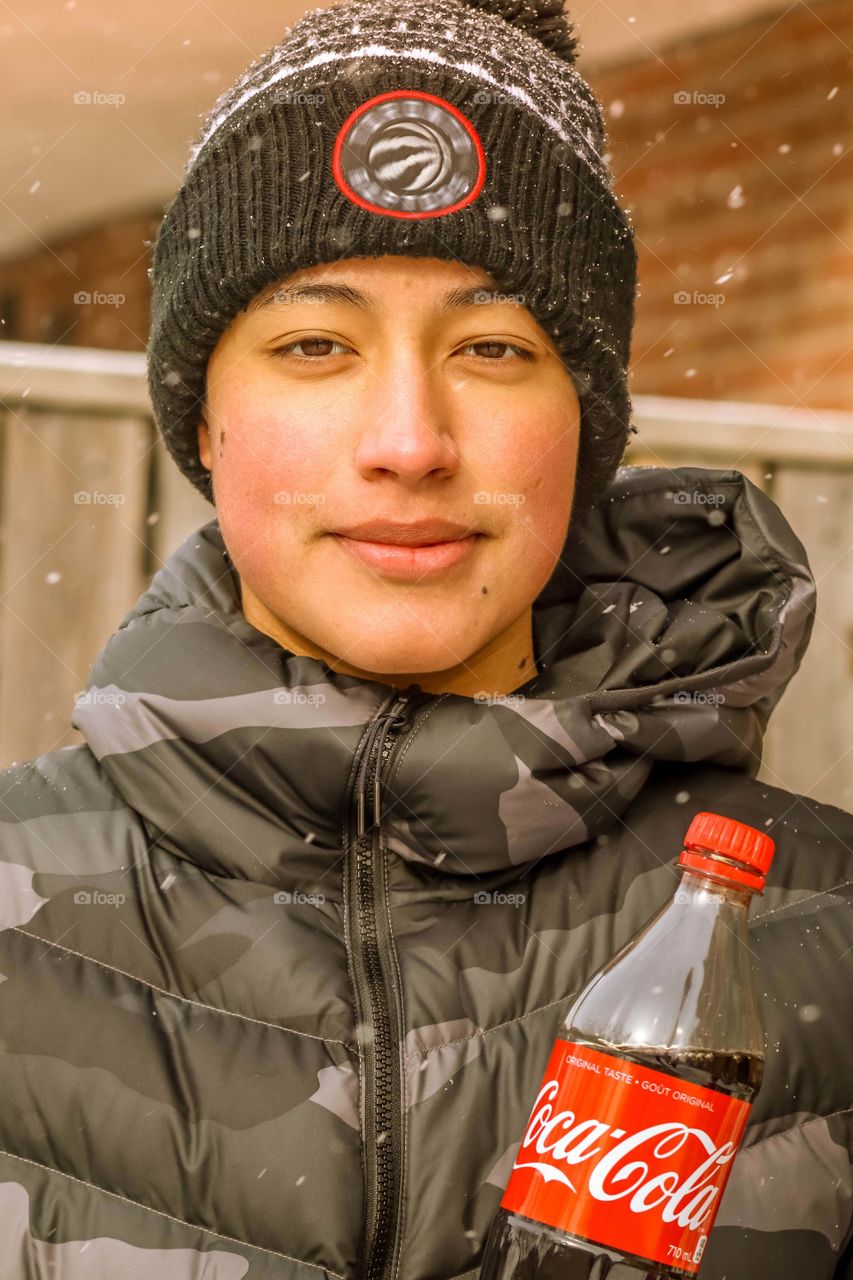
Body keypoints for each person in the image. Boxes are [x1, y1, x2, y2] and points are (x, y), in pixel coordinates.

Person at [0, 1, 850, 1277]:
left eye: (495, 347)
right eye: (314, 344)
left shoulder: (827, 930)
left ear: (584, 428)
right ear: (207, 421)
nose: (409, 437)